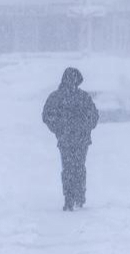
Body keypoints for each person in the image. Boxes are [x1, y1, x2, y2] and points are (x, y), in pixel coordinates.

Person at [42, 66, 99, 211]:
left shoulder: (56, 97)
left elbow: (47, 116)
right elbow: (94, 115)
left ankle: (69, 198)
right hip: (80, 140)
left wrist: (59, 129)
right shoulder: (83, 97)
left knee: (68, 168)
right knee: (79, 167)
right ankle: (79, 196)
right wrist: (85, 128)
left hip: (66, 139)